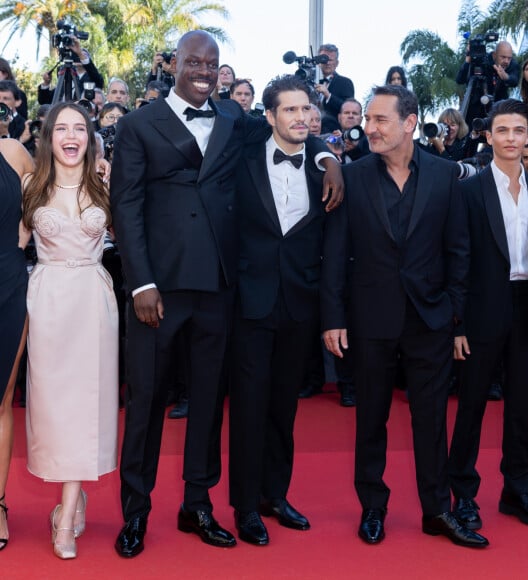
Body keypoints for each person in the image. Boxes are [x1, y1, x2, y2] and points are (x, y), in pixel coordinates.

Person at [110, 29, 343, 558]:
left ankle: (198, 503)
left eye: (211, 64)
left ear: (220, 72)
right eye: (193, 61)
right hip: (159, 289)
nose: (201, 70)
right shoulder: (136, 124)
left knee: (211, 403)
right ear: (174, 64)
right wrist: (140, 282)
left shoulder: (237, 121)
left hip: (218, 289)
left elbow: (291, 136)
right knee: (146, 402)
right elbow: (125, 208)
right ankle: (136, 512)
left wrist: (329, 158)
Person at [321, 84, 488, 548]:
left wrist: (453, 311)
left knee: (431, 420)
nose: (368, 128)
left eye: (379, 120)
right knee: (370, 418)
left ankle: (437, 510)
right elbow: (336, 254)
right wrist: (333, 317)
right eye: (367, 120)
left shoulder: (441, 176)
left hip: (429, 320)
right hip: (369, 319)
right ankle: (373, 506)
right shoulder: (351, 178)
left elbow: (459, 250)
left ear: (409, 123)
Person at [448, 99, 528, 532]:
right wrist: (455, 323)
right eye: (504, 131)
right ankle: (462, 494)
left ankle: (517, 489)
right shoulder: (468, 191)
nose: (512, 139)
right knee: (472, 407)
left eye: (519, 131)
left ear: (527, 137)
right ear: (488, 135)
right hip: (481, 311)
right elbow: (457, 259)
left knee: (520, 408)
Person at [229, 74, 330, 546]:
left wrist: (329, 155)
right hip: (250, 303)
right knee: (249, 409)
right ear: (269, 116)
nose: (299, 117)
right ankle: (245, 506)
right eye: (287, 110)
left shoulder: (326, 167)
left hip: (299, 305)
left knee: (283, 410)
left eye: (304, 109)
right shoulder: (244, 155)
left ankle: (275, 494)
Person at [21, 102, 118, 559]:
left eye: (79, 127)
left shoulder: (105, 182)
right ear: (49, 137)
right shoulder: (30, 186)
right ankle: (73, 496)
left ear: (90, 136)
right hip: (47, 301)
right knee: (53, 404)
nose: (71, 135)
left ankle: (65, 514)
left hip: (93, 301)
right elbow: (14, 246)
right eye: (62, 128)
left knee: (88, 402)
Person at [0, 137, 35, 551]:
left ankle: (0, 502)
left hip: (7, 281)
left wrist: (18, 249)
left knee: (2, 398)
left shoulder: (12, 152)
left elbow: (39, 205)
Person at [456, 40, 520, 128]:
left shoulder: (512, 65)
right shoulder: (483, 61)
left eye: (509, 58)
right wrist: (467, 61)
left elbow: (514, 80)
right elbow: (460, 80)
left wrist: (506, 77)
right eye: (503, 57)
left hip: (498, 110)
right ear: (494, 54)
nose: (506, 61)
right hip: (475, 108)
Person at [314, 43, 355, 133]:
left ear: (337, 63)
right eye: (324, 59)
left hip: (333, 133)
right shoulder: (311, 81)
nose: (327, 63)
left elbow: (349, 109)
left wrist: (328, 95)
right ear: (318, 62)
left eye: (331, 60)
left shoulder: (345, 82)